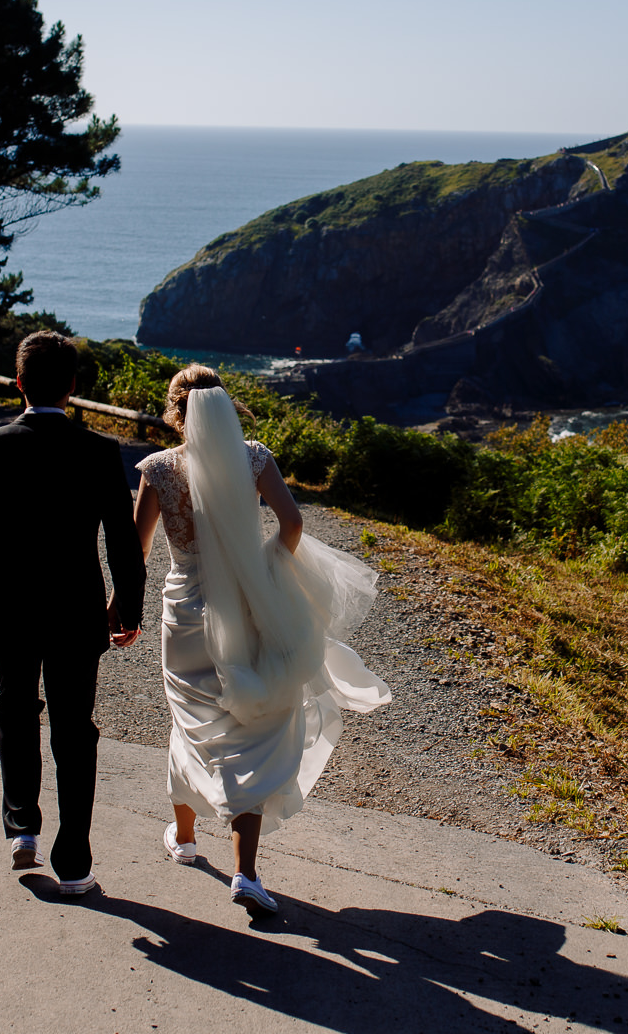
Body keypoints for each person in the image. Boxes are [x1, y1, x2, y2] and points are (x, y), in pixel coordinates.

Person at [134, 365, 391, 918]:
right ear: (225, 407)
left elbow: (136, 553)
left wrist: (118, 609)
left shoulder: (157, 470)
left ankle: (183, 839)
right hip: (246, 607)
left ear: (175, 412)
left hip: (184, 614)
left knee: (192, 720)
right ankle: (245, 872)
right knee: (246, 728)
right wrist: (264, 570)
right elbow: (292, 523)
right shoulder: (253, 458)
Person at [0, 331, 148, 896]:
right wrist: (126, 606)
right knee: (75, 730)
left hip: (8, 607)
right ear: (74, 388)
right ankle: (75, 862)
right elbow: (123, 543)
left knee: (15, 710)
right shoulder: (100, 452)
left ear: (18, 383)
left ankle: (22, 830)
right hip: (76, 609)